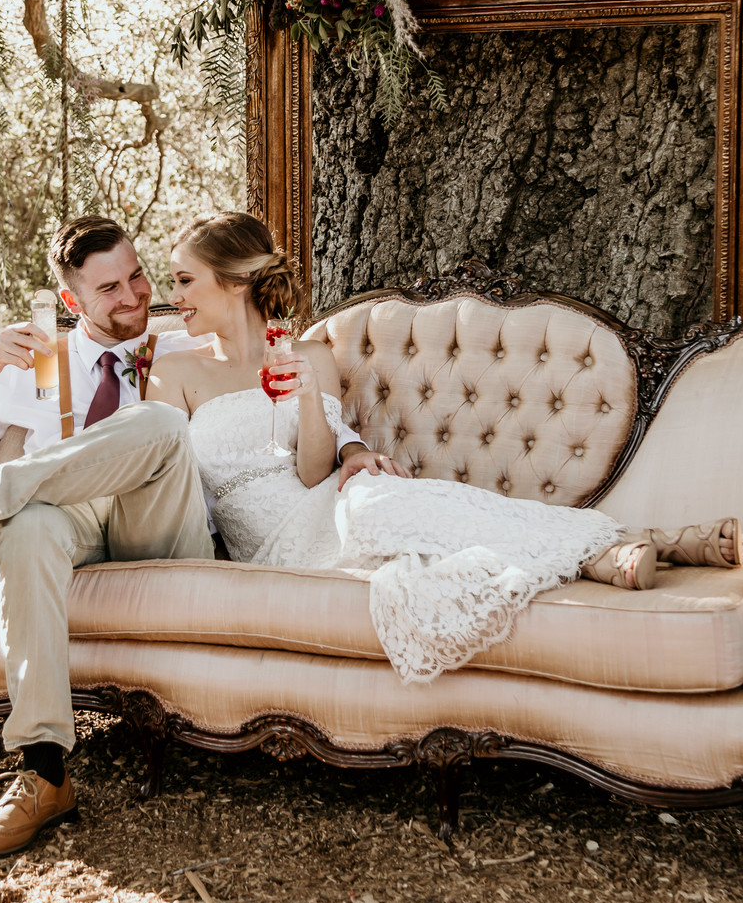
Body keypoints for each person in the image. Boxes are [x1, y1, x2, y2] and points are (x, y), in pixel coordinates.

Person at [0, 215, 400, 860]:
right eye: (110, 289)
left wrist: (350, 445)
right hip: (65, 524)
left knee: (156, 423)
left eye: (138, 276)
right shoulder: (38, 357)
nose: (134, 298)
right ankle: (42, 772)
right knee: (28, 526)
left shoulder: (181, 345)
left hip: (157, 524)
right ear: (72, 302)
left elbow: (284, 405)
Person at [145, 212, 625, 685]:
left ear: (236, 281)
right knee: (397, 537)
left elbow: (314, 473)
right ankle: (608, 547)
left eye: (185, 280)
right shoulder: (175, 374)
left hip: (329, 496)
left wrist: (311, 395)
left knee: (386, 505)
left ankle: (607, 549)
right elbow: (163, 480)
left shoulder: (308, 355)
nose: (175, 297)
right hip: (271, 542)